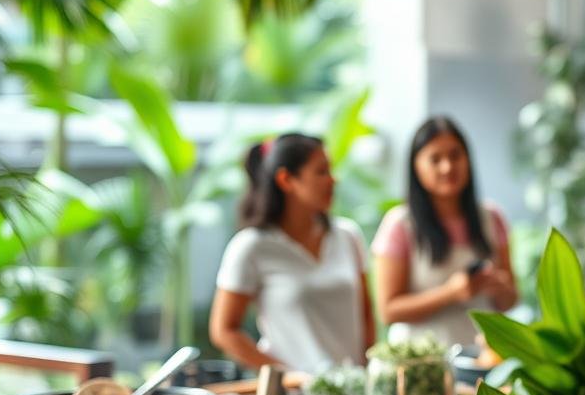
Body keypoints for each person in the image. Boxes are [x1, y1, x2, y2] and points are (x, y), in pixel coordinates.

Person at [210, 134, 374, 373]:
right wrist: (286, 376)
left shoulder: (348, 236)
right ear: (286, 180)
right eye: (321, 172)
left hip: (353, 394)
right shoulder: (251, 247)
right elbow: (223, 331)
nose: (333, 180)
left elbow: (366, 315)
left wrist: (369, 372)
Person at [372, 116, 516, 346]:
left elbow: (510, 300)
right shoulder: (399, 224)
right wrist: (450, 293)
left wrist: (499, 286)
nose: (447, 167)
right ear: (416, 165)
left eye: (455, 155)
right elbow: (388, 311)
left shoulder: (492, 218)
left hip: (482, 360)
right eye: (435, 159)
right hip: (423, 364)